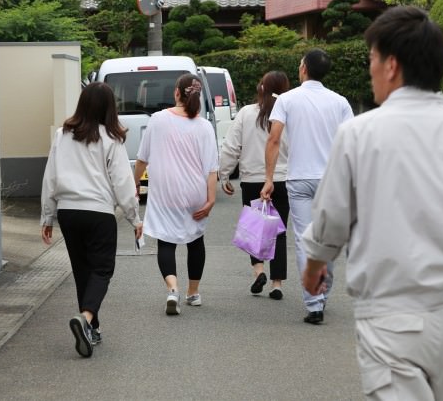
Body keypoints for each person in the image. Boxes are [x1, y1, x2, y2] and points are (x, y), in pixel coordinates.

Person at [301, 5, 443, 400]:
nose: (371, 70)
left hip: (390, 316)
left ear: (391, 66)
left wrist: (314, 268)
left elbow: (330, 223)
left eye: (373, 59)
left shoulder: (360, 134)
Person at [41, 82, 143, 358]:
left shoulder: (63, 135)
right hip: (98, 212)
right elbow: (122, 182)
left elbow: (50, 176)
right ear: (110, 108)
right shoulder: (111, 139)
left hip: (68, 212)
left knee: (82, 271)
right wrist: (135, 218)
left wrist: (47, 215)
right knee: (101, 270)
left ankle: (91, 329)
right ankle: (85, 318)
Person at [260, 49, 354, 324]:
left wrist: (268, 179)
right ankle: (322, 295)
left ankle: (314, 304)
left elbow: (274, 139)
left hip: (299, 178)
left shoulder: (287, 100)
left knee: (304, 240)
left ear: (303, 69)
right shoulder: (340, 102)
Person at [134, 73, 218, 316]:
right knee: (195, 240)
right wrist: (211, 199)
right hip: (196, 192)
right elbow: (211, 167)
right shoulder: (204, 126)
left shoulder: (158, 119)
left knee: (166, 241)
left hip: (166, 192)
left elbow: (142, 159)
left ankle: (173, 290)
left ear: (177, 93)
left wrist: (135, 183)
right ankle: (194, 293)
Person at [219, 71, 291, 299]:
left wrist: (224, 174)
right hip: (282, 179)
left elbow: (231, 146)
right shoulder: (290, 114)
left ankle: (259, 271)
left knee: (255, 230)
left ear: (261, 88)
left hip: (252, 180)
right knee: (279, 232)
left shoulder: (246, 113)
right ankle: (276, 284)